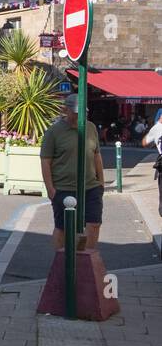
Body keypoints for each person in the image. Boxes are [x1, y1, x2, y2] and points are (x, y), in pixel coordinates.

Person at [40, 94, 105, 252]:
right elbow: (45, 161)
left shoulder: (90, 128)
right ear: (65, 110)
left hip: (90, 187)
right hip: (63, 188)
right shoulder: (54, 132)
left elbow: (96, 155)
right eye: (75, 112)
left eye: (82, 112)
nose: (78, 116)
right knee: (62, 227)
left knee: (94, 223)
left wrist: (101, 183)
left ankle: (85, 262)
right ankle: (62, 263)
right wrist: (51, 190)